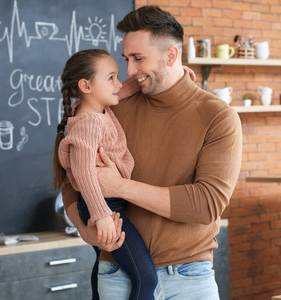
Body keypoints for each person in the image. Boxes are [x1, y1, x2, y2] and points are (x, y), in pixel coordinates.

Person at [61, 5, 243, 300]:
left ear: (171, 55)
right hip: (117, 275)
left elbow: (207, 204)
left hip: (189, 279)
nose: (129, 71)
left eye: (138, 58)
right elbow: (70, 175)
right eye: (126, 59)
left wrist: (120, 186)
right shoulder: (111, 104)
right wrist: (84, 228)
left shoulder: (217, 116)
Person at [53, 49, 158, 300]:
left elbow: (125, 89)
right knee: (146, 279)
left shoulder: (91, 107)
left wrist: (172, 76)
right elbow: (84, 172)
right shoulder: (90, 121)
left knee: (103, 265)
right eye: (111, 77)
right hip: (103, 206)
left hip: (105, 204)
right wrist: (101, 215)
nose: (118, 83)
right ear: (85, 85)